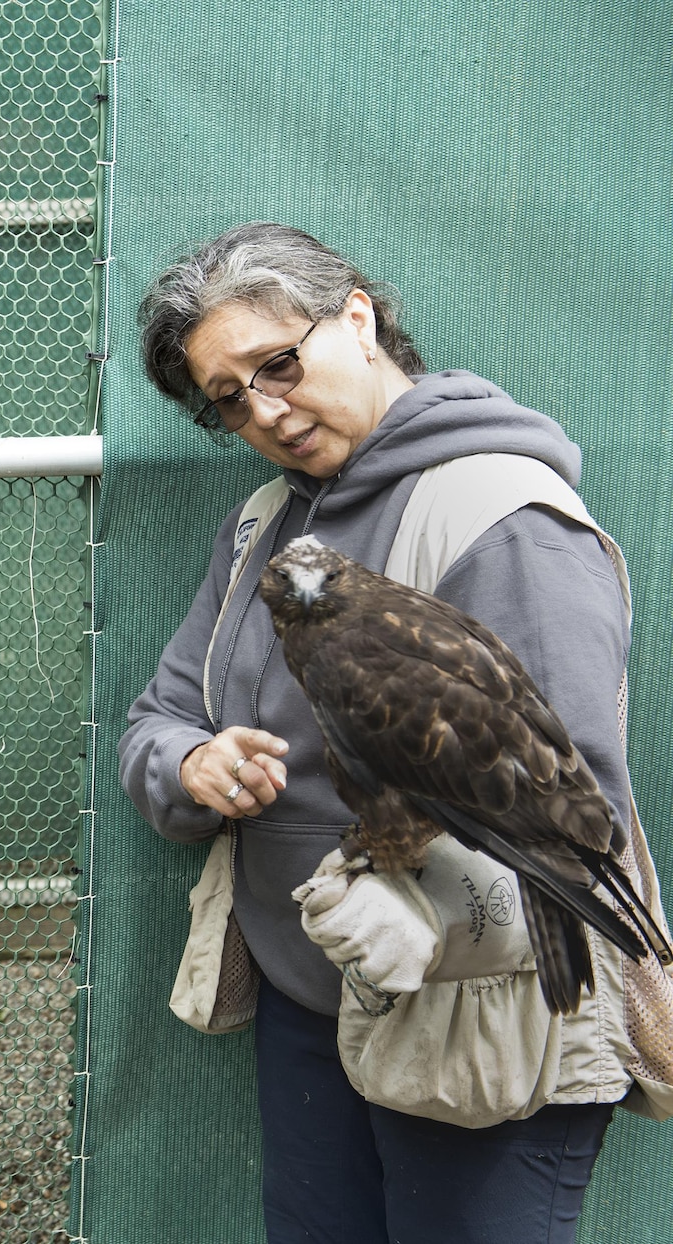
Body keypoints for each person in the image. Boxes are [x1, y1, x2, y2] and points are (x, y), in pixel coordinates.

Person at [120, 222, 660, 1243]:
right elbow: (157, 718)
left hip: (481, 1016)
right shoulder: (266, 528)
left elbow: (569, 806)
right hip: (307, 1002)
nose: (264, 410)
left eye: (276, 364)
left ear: (357, 318)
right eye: (228, 400)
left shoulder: (502, 516)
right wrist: (193, 763)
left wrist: (430, 902)